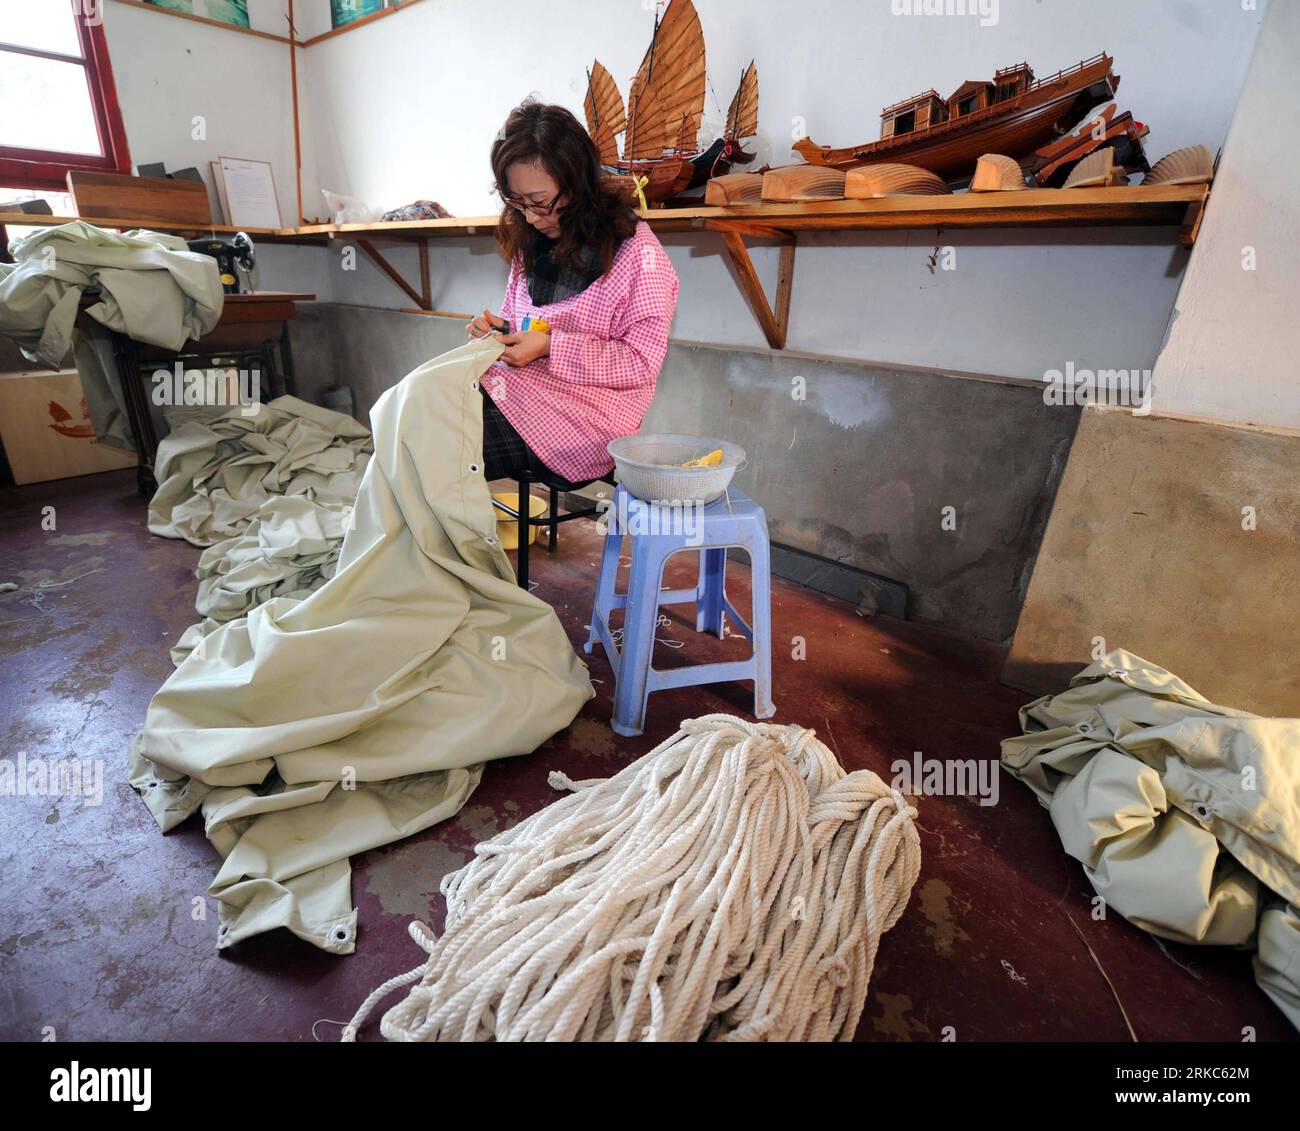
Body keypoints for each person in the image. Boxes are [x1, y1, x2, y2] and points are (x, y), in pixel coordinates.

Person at [466, 99, 680, 490]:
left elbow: (640, 362)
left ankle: (439, 546)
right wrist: (499, 331)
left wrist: (550, 347)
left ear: (577, 182)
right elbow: (523, 326)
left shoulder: (637, 254)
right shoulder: (532, 240)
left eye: (540, 202)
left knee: (441, 449)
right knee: (413, 413)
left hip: (587, 418)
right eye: (518, 202)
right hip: (523, 392)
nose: (530, 217)